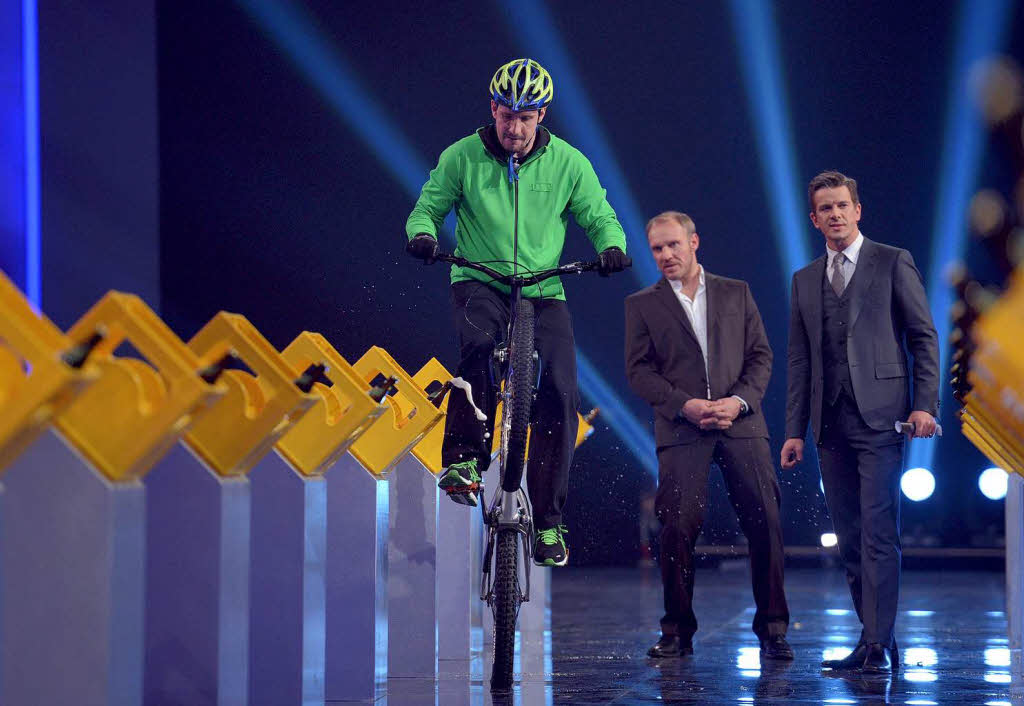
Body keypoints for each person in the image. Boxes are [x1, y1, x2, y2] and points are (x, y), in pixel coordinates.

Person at [405, 58, 630, 567]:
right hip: (478, 280)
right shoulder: (462, 156)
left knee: (562, 387)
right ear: (493, 108)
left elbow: (599, 214)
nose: (515, 127)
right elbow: (428, 206)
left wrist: (612, 245)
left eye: (526, 118)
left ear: (542, 115)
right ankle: (463, 460)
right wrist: (420, 234)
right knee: (479, 348)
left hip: (543, 287)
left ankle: (549, 523)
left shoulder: (569, 162)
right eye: (507, 115)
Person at [781, 171, 939, 674]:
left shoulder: (892, 261)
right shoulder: (804, 280)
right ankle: (876, 637)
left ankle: (875, 641)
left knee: (877, 534)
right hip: (830, 425)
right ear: (814, 219)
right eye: (825, 208)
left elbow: (923, 337)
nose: (834, 214)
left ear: (858, 210)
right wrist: (792, 429)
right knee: (849, 538)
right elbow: (800, 360)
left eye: (842, 205)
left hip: (884, 418)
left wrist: (925, 406)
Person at [624, 211, 791, 660]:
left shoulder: (736, 292)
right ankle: (677, 630)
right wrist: (685, 405)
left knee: (766, 521)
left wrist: (738, 402)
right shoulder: (642, 304)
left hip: (742, 424)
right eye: (657, 248)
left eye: (673, 245)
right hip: (682, 429)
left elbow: (761, 357)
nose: (665, 255)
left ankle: (773, 628)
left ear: (694, 242)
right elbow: (639, 372)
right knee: (677, 526)